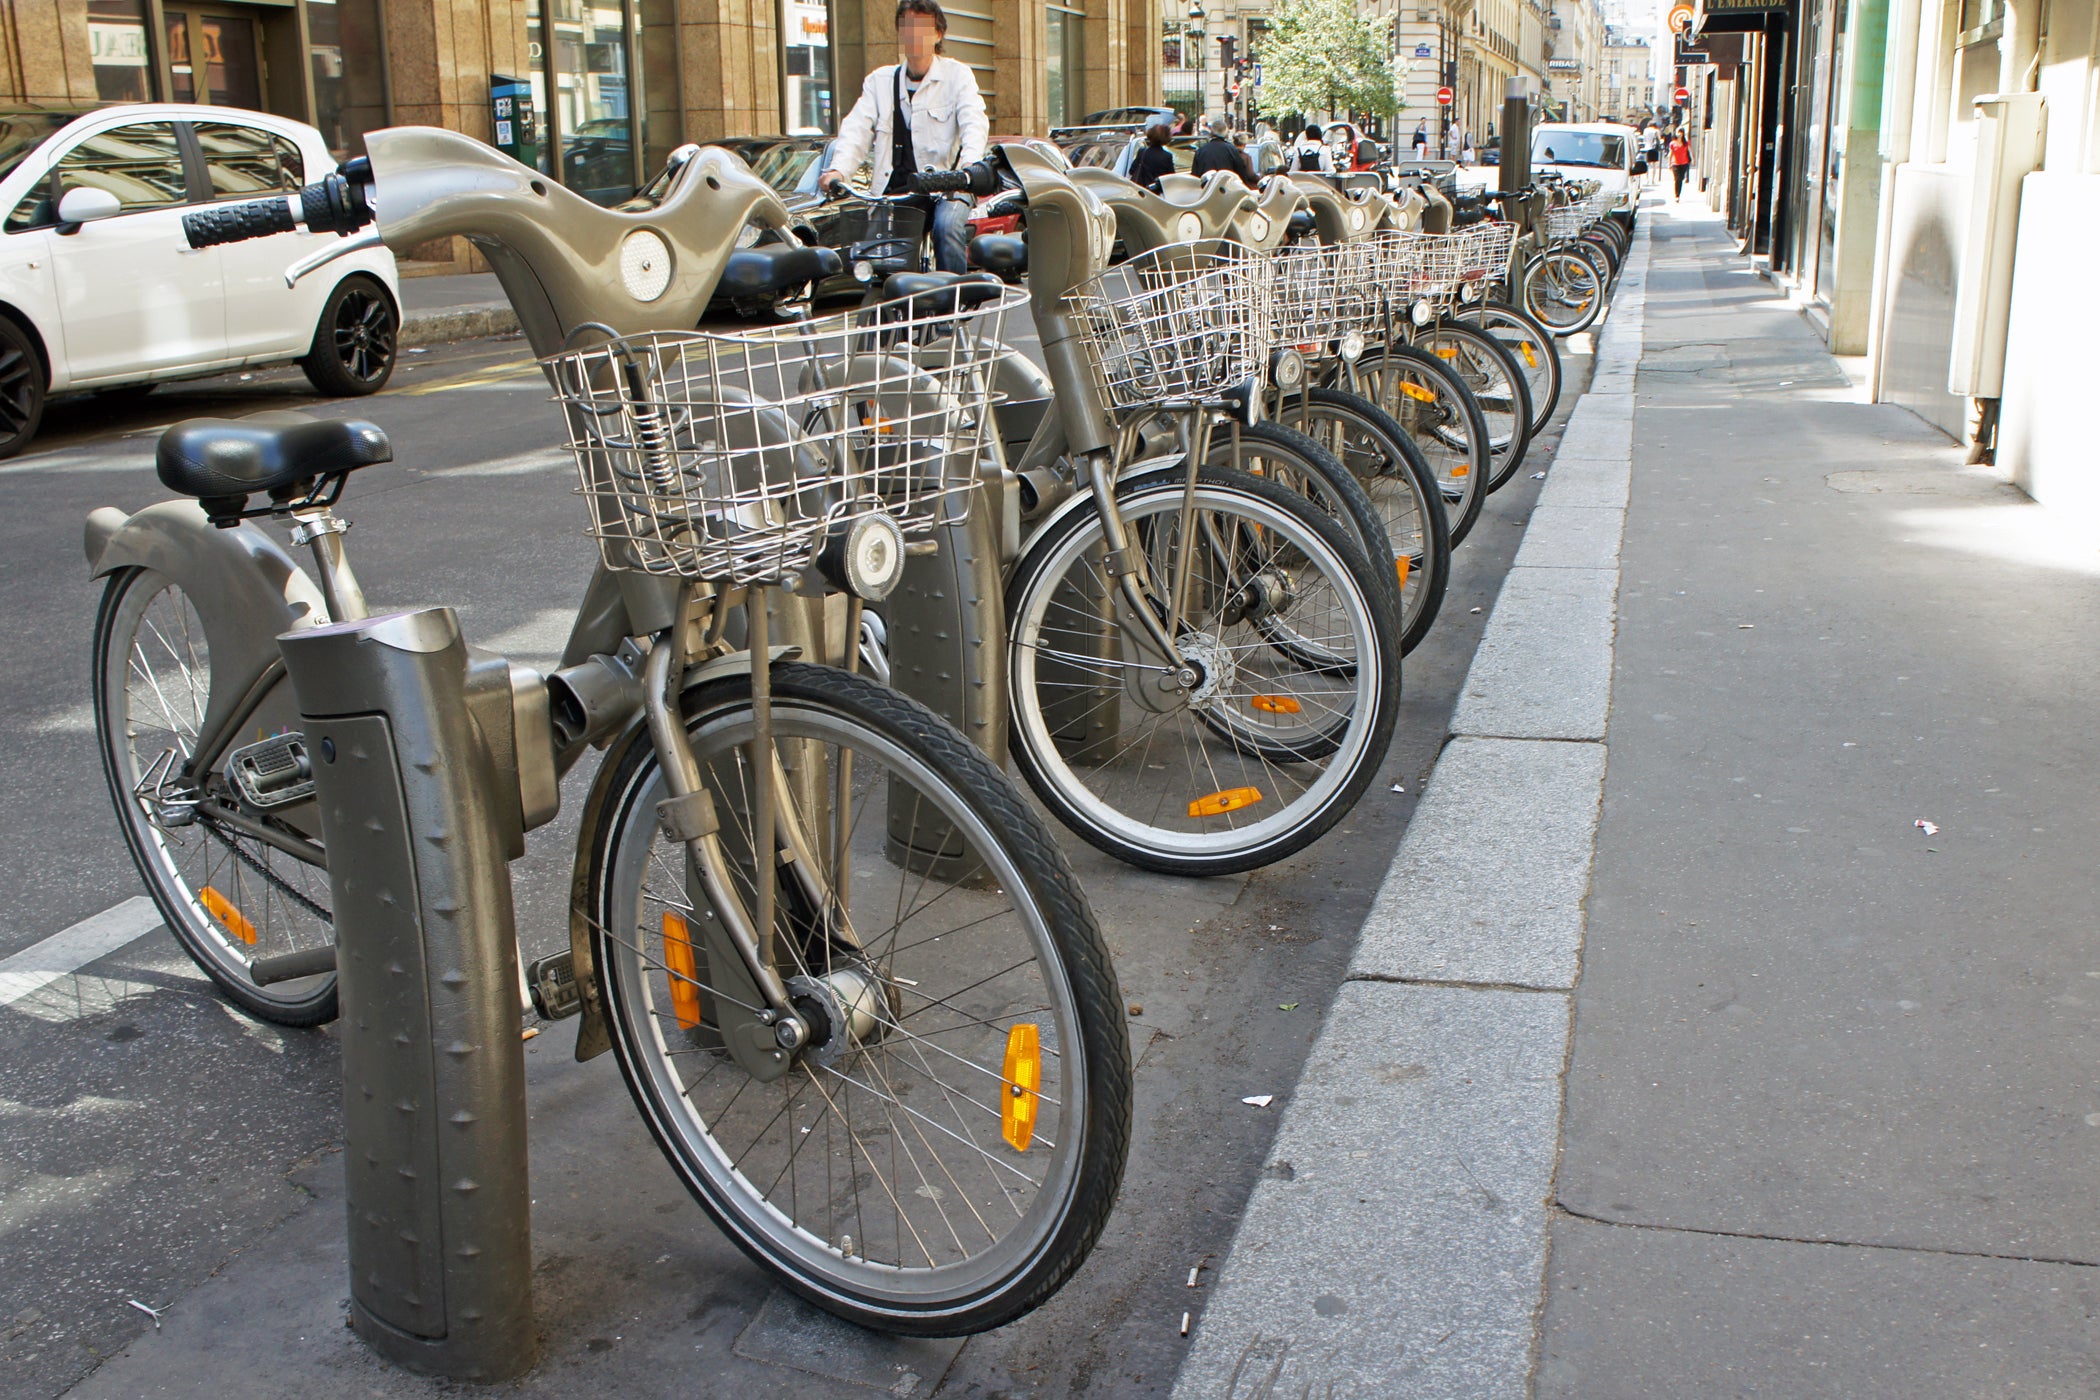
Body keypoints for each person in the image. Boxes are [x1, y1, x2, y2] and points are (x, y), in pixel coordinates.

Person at [822, 0, 988, 274]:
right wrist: (839, 169)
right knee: (876, 256)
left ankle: (953, 304)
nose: (914, 35)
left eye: (922, 27)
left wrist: (968, 170)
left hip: (947, 186)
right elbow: (856, 129)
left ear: (938, 34)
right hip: (896, 190)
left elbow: (974, 123)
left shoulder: (957, 76)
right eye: (907, 27)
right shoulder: (880, 81)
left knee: (946, 228)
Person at [1192, 116, 1257, 188]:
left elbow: (1195, 177)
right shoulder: (1232, 150)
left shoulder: (1200, 151)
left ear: (1211, 132)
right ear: (1226, 133)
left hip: (1206, 191)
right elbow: (1241, 173)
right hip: (1227, 191)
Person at [1130, 118, 1177, 192]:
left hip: (1142, 190)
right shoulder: (1167, 156)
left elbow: (1132, 170)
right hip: (1157, 193)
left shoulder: (1142, 152)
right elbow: (1171, 177)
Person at [1669, 129, 1693, 199]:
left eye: (1681, 132)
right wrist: (1669, 163)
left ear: (1683, 134)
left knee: (1681, 178)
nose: (1679, 134)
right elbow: (1671, 153)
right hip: (1675, 163)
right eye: (1678, 132)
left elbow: (1690, 151)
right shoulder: (1672, 143)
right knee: (1677, 179)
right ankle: (1677, 195)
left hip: (1684, 163)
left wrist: (1693, 159)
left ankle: (1678, 193)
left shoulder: (1686, 143)